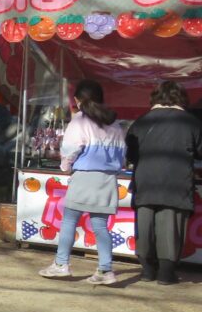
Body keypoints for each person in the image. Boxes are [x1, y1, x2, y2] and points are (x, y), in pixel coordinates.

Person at [39, 79, 126, 286]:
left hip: (84, 178)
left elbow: (69, 151)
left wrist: (65, 167)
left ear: (77, 100)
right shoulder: (114, 123)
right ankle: (105, 269)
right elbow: (122, 156)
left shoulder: (78, 122)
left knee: (69, 221)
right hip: (107, 180)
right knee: (101, 226)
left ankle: (61, 264)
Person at [124, 80, 202, 285]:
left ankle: (147, 271)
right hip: (176, 183)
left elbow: (130, 154)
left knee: (145, 226)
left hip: (145, 182)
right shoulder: (191, 122)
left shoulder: (142, 121)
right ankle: (166, 274)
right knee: (171, 226)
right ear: (181, 98)